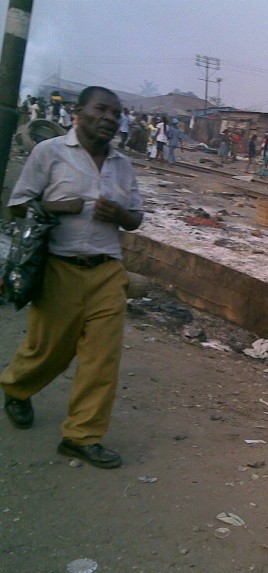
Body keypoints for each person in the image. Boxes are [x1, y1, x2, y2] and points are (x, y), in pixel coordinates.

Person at [1, 86, 143, 469]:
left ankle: (81, 437)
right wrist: (55, 205)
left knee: (102, 359)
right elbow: (17, 206)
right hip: (58, 268)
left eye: (117, 113)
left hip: (107, 272)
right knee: (48, 349)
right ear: (78, 112)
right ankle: (16, 388)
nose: (111, 118)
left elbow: (136, 218)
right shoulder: (49, 153)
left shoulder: (122, 165)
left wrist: (119, 215)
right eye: (102, 109)